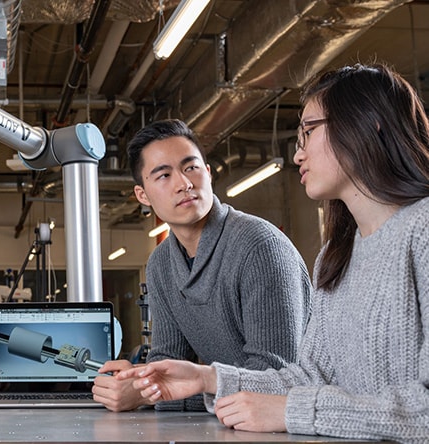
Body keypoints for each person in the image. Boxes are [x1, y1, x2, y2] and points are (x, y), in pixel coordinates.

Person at [117, 63, 429, 442]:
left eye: (309, 132)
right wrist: (206, 378)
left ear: (369, 123)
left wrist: (294, 410)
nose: (298, 154)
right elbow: (309, 377)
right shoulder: (338, 252)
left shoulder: (422, 232)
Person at [92, 119, 312, 412]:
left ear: (208, 174)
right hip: (233, 421)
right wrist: (137, 381)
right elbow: (167, 357)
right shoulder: (161, 264)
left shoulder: (259, 245)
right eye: (163, 175)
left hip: (291, 423)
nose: (184, 184)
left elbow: (275, 378)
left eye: (191, 167)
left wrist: (152, 395)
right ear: (142, 195)